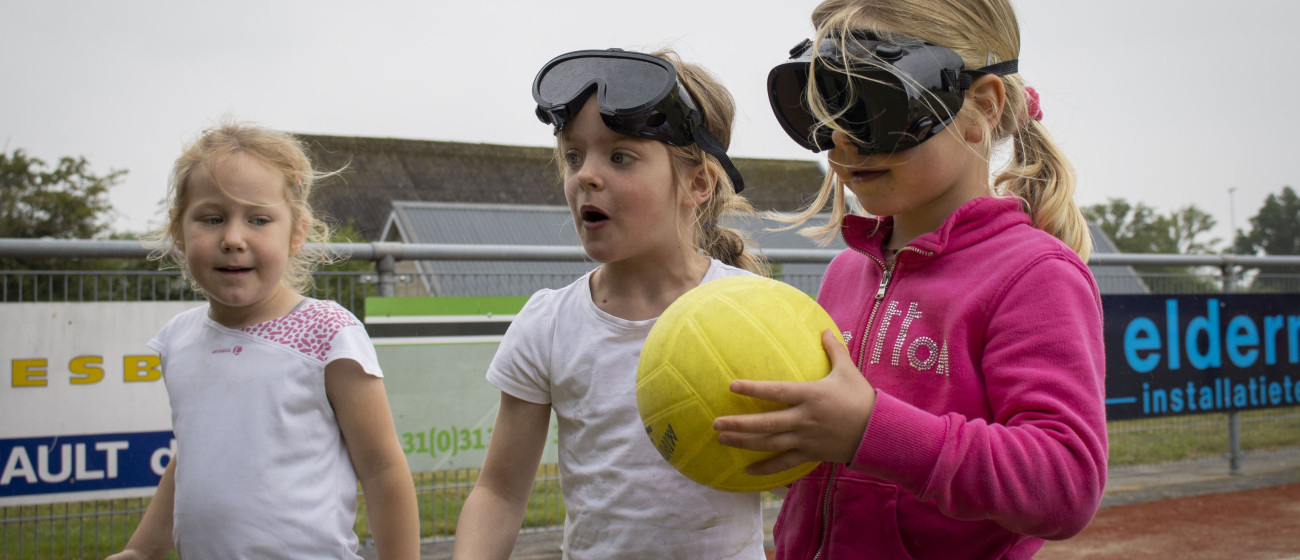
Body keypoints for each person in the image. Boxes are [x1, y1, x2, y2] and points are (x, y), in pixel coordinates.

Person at [712, 1, 1108, 558]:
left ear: (983, 106)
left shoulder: (1035, 276)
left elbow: (1065, 484)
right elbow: (839, 474)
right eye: (826, 109)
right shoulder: (849, 271)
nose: (844, 143)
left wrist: (869, 430)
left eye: (876, 103)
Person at [452, 49, 769, 559]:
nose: (585, 177)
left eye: (620, 156)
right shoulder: (549, 324)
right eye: (574, 156)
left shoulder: (754, 312)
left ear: (697, 183)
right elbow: (500, 493)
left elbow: (805, 476)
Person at [108, 121, 419, 560]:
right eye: (212, 218)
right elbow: (191, 459)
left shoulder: (328, 332)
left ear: (296, 232)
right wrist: (141, 550)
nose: (233, 239)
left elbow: (382, 468)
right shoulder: (177, 341)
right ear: (178, 230)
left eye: (258, 219)